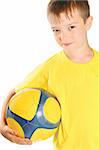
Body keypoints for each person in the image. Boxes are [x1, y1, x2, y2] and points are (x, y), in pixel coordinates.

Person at [0, 0, 99, 149]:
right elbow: (14, 92)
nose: (62, 36)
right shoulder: (51, 67)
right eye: (56, 30)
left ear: (88, 23)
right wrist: (2, 126)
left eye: (71, 27)